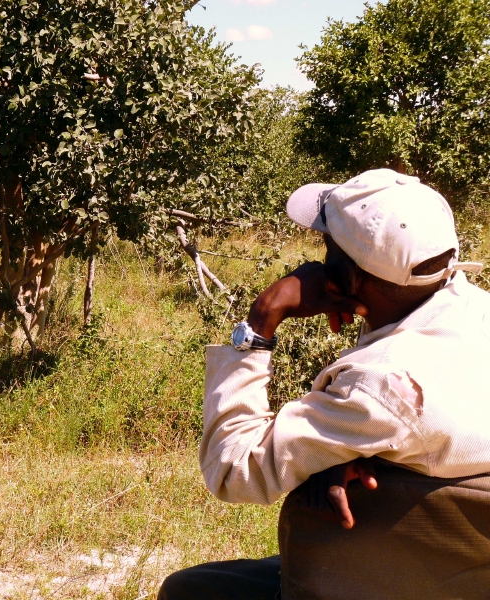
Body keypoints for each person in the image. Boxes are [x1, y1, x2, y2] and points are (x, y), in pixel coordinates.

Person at [158, 169, 490, 599]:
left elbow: (232, 469)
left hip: (379, 582)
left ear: (348, 278)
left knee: (187, 589)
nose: (315, 262)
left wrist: (262, 319)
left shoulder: (379, 386)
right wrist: (357, 451)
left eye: (325, 247)